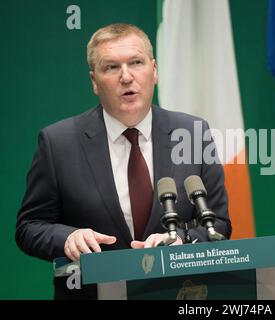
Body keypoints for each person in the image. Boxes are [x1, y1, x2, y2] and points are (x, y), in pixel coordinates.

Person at [15, 23, 231, 299]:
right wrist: (67, 238)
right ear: (94, 81)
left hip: (178, 293)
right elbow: (29, 226)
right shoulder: (58, 143)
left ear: (154, 71)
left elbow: (220, 223)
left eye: (136, 63)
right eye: (111, 67)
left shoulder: (192, 134)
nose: (126, 77)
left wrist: (181, 241)